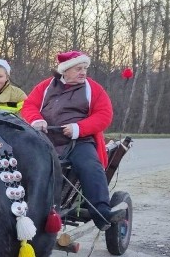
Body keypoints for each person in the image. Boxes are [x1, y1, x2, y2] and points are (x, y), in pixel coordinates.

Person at [21, 50, 123, 230]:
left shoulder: (93, 89)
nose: (83, 72)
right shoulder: (45, 86)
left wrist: (78, 128)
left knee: (90, 166)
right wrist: (36, 120)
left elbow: (104, 115)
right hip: (45, 139)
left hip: (79, 141)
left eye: (85, 68)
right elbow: (29, 105)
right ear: (65, 71)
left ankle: (102, 213)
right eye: (78, 68)